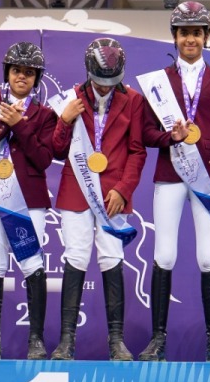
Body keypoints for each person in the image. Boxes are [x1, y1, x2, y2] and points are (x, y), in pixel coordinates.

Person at [138, 1, 210, 362]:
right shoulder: (157, 82)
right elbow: (148, 133)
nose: (190, 38)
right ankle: (157, 340)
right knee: (164, 254)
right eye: (184, 33)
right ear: (175, 37)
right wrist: (173, 138)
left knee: (208, 257)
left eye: (196, 32)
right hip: (169, 175)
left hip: (208, 175)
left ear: (206, 37)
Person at [49, 38, 146, 361]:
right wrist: (64, 120)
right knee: (75, 256)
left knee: (111, 257)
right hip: (77, 189)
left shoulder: (133, 100)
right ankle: (66, 342)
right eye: (100, 82)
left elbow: (137, 150)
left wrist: (124, 189)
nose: (105, 88)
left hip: (113, 194)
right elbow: (57, 151)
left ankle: (116, 341)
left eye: (111, 83)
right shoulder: (71, 99)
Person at [0, 41, 57, 359]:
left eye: (29, 73)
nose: (22, 77)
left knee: (31, 264)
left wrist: (22, 126)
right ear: (8, 73)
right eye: (17, 70)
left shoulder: (44, 115)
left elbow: (44, 158)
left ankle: (37, 340)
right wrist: (4, 125)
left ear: (36, 78)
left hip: (30, 199)